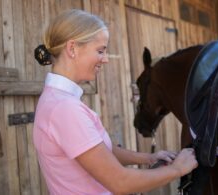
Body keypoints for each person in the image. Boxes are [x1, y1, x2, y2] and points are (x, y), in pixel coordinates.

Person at [32, 9, 197, 195]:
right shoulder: (64, 109)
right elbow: (120, 182)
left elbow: (100, 152)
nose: (106, 59)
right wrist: (177, 170)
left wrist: (149, 158)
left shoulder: (58, 100)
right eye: (100, 50)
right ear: (72, 49)